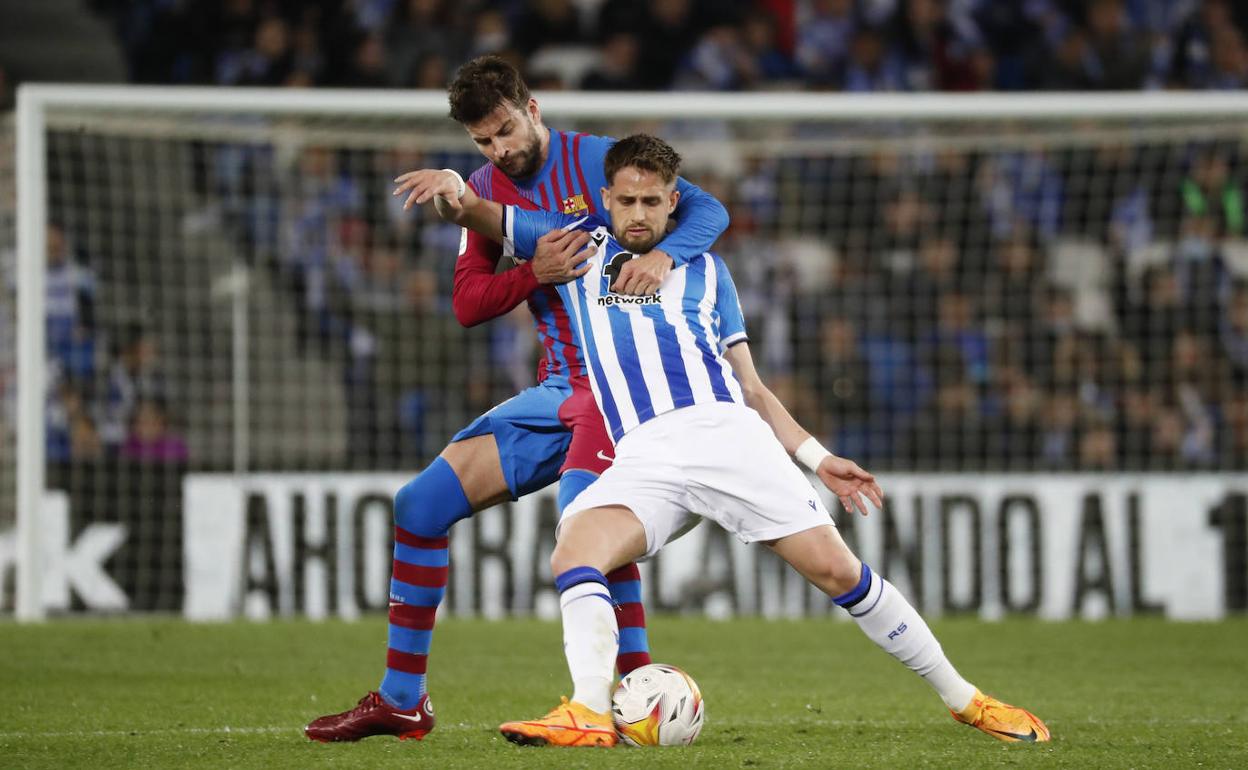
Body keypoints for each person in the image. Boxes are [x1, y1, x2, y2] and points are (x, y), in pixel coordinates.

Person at [395, 133, 1052, 747]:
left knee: (838, 572)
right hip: (644, 455)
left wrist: (820, 460)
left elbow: (756, 390)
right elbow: (479, 213)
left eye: (652, 200)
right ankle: (590, 711)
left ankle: (966, 699)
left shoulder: (709, 274)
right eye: (625, 200)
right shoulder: (579, 249)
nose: (638, 213)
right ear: (605, 200)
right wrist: (454, 182)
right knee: (574, 552)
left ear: (673, 201)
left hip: (726, 441)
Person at [305, 56, 729, 742]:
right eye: (483, 141)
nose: (499, 149)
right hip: (560, 387)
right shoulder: (479, 192)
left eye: (504, 130)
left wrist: (665, 258)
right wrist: (532, 271)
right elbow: (469, 303)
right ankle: (402, 699)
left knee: (585, 529)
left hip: (622, 385)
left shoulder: (598, 161)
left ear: (532, 109)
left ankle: (626, 700)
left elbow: (710, 209)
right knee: (419, 505)